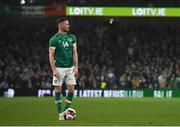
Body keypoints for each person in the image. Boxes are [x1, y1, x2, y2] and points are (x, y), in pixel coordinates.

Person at [49, 17, 78, 120]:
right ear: (60, 25)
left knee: (71, 90)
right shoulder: (54, 39)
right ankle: (60, 114)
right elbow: (51, 56)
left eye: (68, 24)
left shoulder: (72, 37)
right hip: (59, 68)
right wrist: (54, 70)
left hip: (70, 68)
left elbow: (75, 52)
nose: (68, 25)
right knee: (58, 90)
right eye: (66, 24)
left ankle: (65, 111)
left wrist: (76, 67)